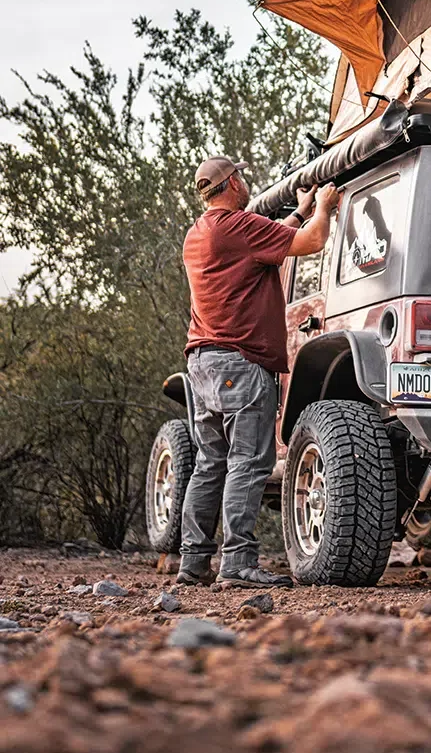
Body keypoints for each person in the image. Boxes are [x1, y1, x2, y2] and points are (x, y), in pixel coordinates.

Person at [176, 155, 339, 588]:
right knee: (248, 462)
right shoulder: (237, 227)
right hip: (241, 364)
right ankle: (237, 565)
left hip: (202, 364)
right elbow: (311, 242)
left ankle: (193, 564)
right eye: (242, 176)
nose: (247, 182)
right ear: (231, 183)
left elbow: (273, 237)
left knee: (210, 463)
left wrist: (300, 210)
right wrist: (322, 206)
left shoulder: (199, 233)